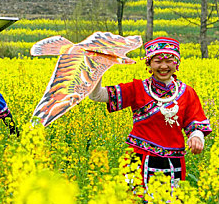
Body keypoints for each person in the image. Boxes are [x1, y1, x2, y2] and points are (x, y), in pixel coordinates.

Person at [88, 37, 212, 189]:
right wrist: (98, 68)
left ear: (177, 63)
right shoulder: (137, 88)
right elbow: (97, 95)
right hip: (138, 160)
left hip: (173, 162)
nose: (164, 66)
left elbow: (195, 123)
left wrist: (197, 137)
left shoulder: (187, 92)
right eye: (158, 61)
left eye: (169, 60)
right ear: (149, 64)